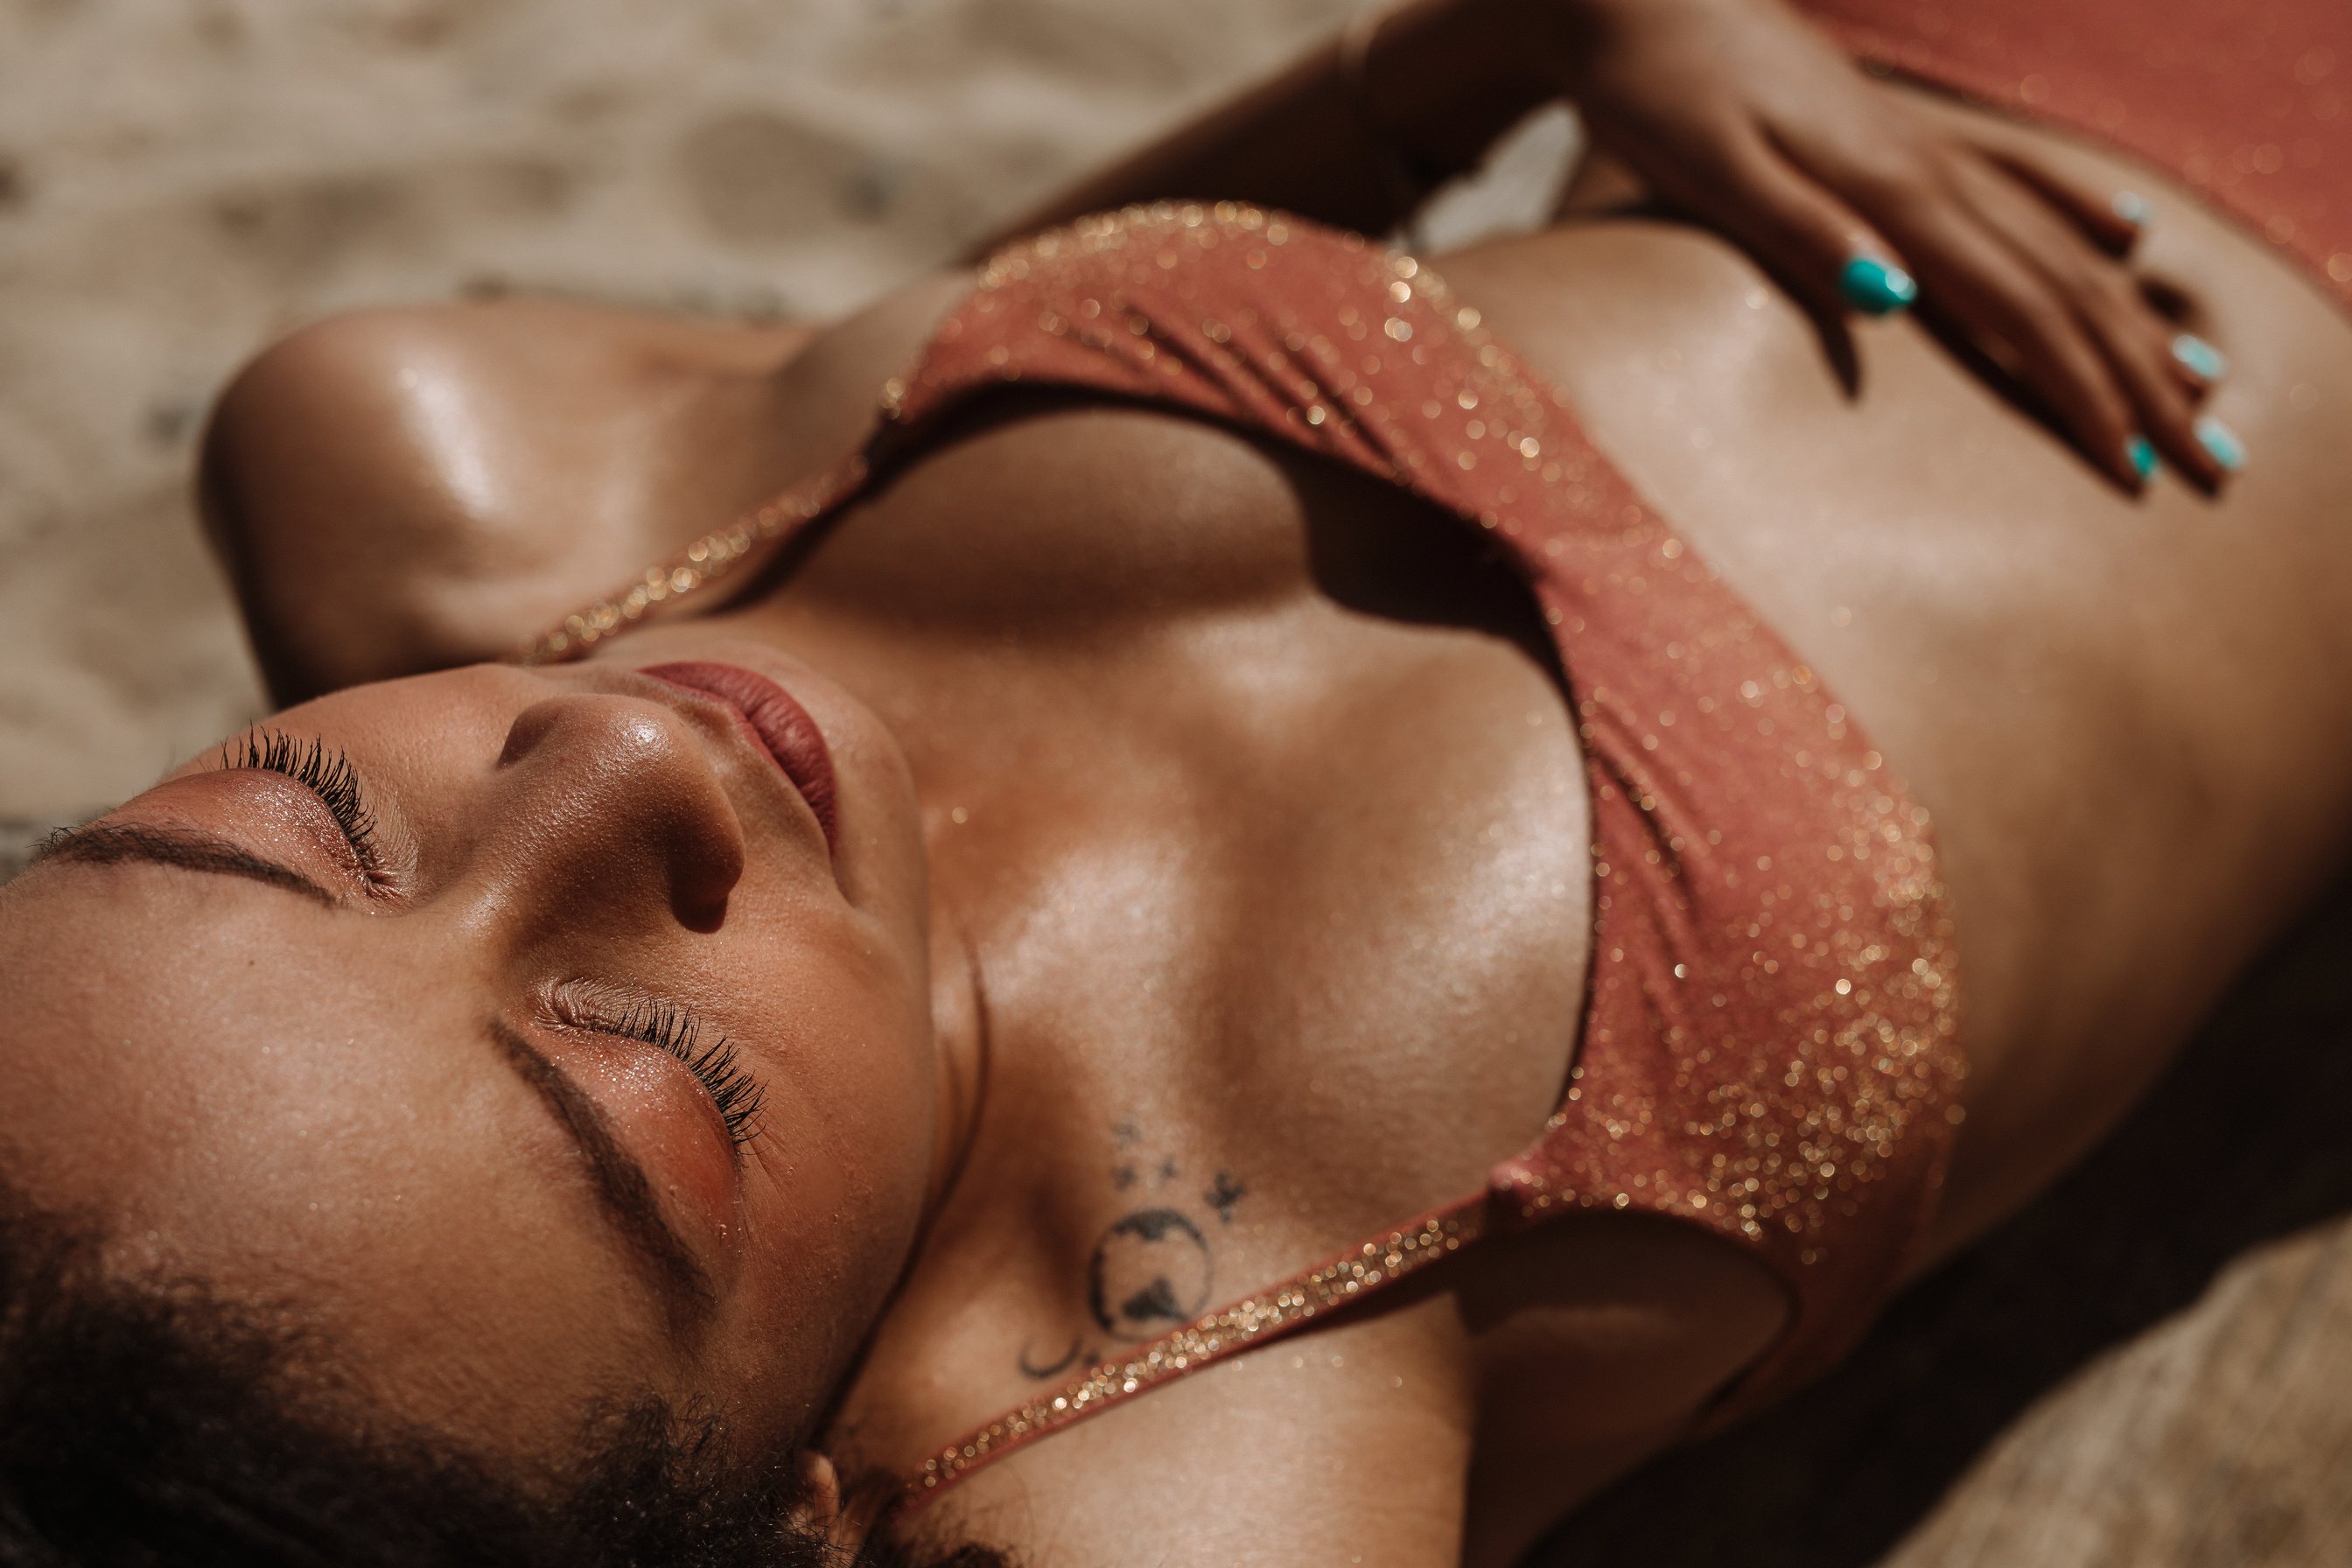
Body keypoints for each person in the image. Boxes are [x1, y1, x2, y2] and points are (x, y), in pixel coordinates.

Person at [4, 0, 2348, 1561]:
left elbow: (945, 321)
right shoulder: (1176, 1442)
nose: (617, 754)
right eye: (656, 1079)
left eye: (302, 813)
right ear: (794, 1516)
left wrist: (1484, 56)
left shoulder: (455, 487)